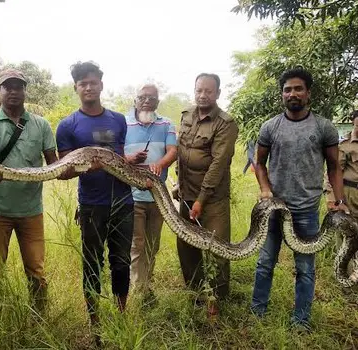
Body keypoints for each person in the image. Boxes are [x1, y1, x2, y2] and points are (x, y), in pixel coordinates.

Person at [251, 67, 348, 331]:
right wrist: (265, 189)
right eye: (287, 89)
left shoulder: (323, 126)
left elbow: (334, 166)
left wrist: (339, 201)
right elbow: (259, 163)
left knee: (305, 268)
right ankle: (257, 312)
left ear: (308, 93)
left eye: (297, 88)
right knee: (264, 263)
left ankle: (301, 320)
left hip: (306, 211)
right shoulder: (270, 126)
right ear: (282, 94)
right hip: (273, 209)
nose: (292, 94)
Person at [56, 61, 146, 328]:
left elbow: (117, 157)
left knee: (120, 261)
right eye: (83, 83)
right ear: (76, 88)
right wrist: (91, 166)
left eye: (93, 82)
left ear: (101, 85)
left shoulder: (118, 120)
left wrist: (128, 160)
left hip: (123, 201)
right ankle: (94, 319)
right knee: (92, 262)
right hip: (92, 204)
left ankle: (120, 315)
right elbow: (63, 170)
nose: (88, 87)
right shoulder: (67, 125)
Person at [0, 68, 58, 313]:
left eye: (18, 86)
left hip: (32, 211)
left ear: (24, 91)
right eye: (7, 86)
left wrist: (74, 166)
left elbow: (54, 164)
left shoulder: (41, 124)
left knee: (37, 271)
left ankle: (40, 318)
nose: (13, 91)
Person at [173, 73, 238, 312]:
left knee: (216, 249)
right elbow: (182, 152)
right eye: (199, 90)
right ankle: (196, 295)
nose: (203, 95)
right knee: (187, 247)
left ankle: (216, 301)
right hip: (187, 195)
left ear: (218, 93)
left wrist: (201, 199)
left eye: (208, 91)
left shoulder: (226, 123)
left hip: (212, 199)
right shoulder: (186, 115)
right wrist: (179, 183)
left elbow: (218, 164)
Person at [124, 84, 177, 301]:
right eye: (142, 97)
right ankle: (139, 293)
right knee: (137, 245)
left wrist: (161, 164)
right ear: (135, 100)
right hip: (132, 196)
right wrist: (130, 159)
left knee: (152, 245)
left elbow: (173, 151)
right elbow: (114, 152)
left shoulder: (166, 124)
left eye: (151, 98)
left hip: (158, 197)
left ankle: (145, 285)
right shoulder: (123, 123)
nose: (146, 101)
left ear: (158, 101)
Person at [325, 110, 358, 282]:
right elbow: (333, 173)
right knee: (346, 234)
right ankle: (344, 274)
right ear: (354, 123)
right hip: (349, 193)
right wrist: (333, 199)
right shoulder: (344, 146)